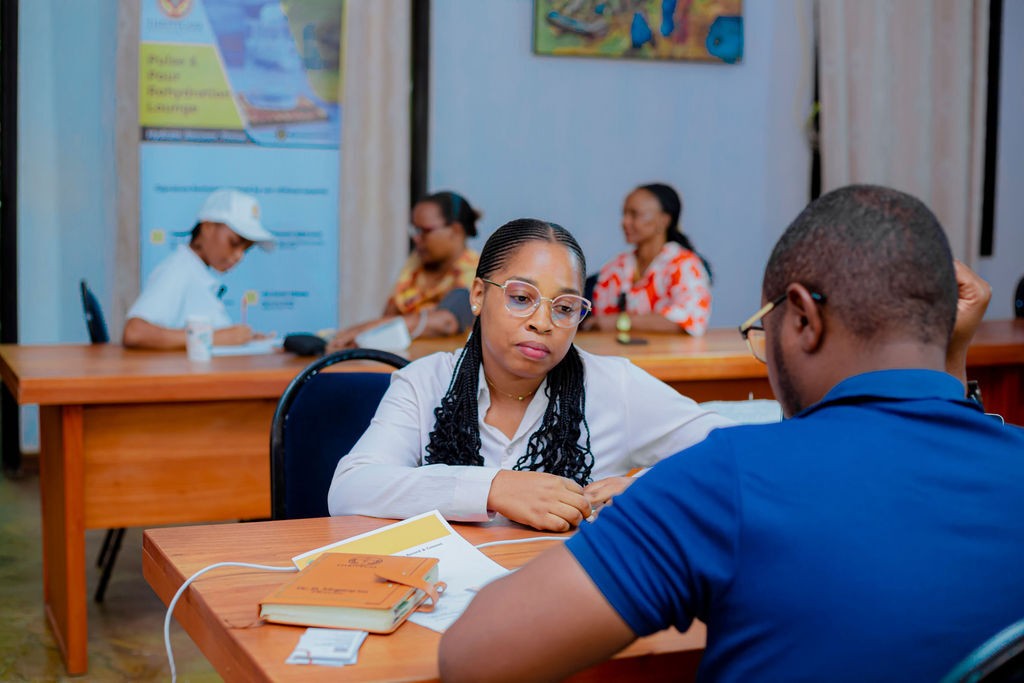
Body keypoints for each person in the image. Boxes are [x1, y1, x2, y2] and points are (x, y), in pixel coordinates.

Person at [439, 185, 1024, 682]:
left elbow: (473, 656)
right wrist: (952, 354)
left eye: (762, 329)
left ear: (802, 319)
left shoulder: (727, 480)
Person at [327, 218, 733, 531]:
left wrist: (647, 486)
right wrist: (494, 488)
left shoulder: (614, 385)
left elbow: (735, 450)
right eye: (521, 298)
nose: (542, 322)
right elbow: (351, 488)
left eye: (565, 307)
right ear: (478, 295)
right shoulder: (425, 382)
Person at [326, 191, 481, 352]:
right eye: (415, 230)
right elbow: (389, 314)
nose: (416, 238)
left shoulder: (475, 271)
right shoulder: (417, 263)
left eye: (425, 231)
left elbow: (446, 322)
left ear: (455, 231)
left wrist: (363, 330)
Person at [123, 188, 275, 349]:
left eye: (246, 249)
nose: (239, 256)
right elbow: (134, 332)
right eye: (234, 243)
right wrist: (216, 337)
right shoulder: (178, 269)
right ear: (208, 227)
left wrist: (244, 340)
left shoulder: (197, 272)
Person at [588, 182, 713, 336]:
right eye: (624, 214)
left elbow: (689, 319)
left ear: (664, 220)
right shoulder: (617, 266)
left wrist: (620, 322)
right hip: (618, 350)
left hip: (670, 351)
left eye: (635, 215)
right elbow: (600, 320)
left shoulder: (685, 265)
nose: (625, 222)